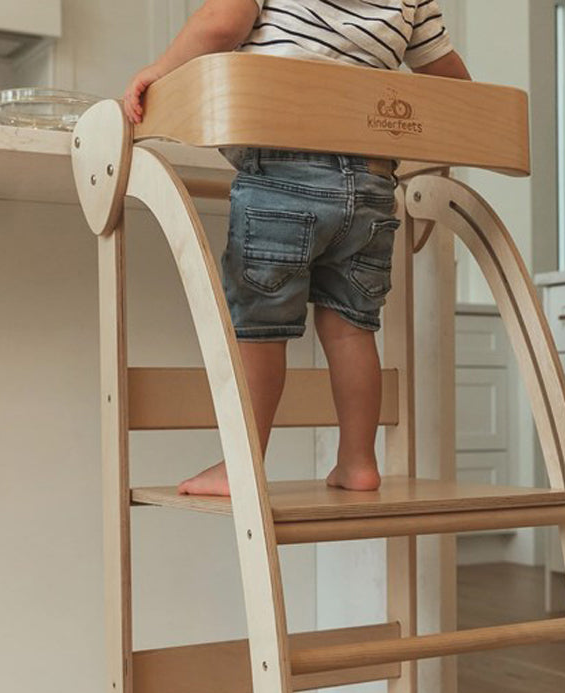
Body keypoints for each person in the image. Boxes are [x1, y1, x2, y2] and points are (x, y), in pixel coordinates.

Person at [123, 0, 470, 495]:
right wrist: (440, 163)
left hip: (284, 172)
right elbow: (453, 90)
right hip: (373, 183)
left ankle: (241, 466)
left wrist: (158, 73)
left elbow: (221, 23)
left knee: (260, 327)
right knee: (352, 329)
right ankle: (357, 461)